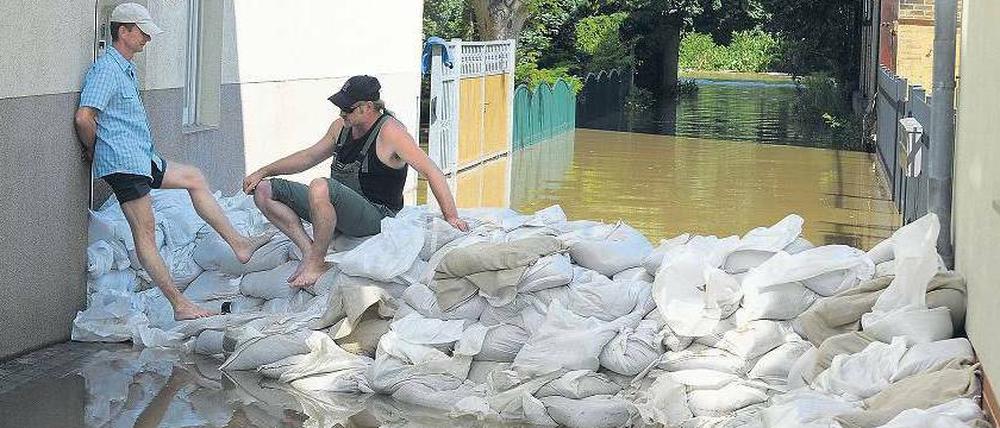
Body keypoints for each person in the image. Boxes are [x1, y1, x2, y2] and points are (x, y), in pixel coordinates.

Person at [74, 3, 271, 320]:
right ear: (123, 31)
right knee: (146, 235)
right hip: (125, 164)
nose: (147, 39)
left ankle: (239, 244)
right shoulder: (107, 69)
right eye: (142, 32)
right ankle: (180, 305)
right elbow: (85, 117)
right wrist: (95, 150)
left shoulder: (125, 68)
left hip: (141, 158)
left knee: (194, 178)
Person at [243, 75, 469, 288]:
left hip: (376, 215)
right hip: (339, 211)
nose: (342, 113)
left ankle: (317, 264)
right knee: (264, 189)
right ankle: (309, 251)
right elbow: (309, 157)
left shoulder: (391, 132)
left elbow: (431, 170)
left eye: (347, 109)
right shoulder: (340, 128)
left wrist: (451, 216)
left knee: (320, 186)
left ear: (367, 107)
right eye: (340, 108)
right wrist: (264, 171)